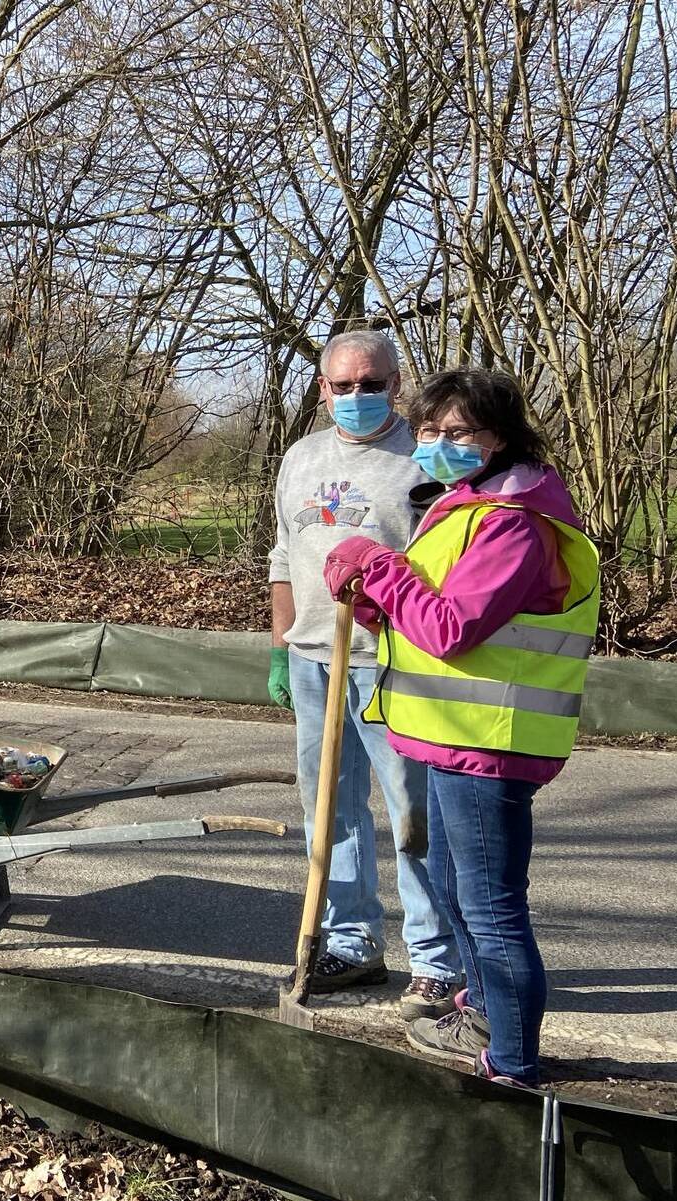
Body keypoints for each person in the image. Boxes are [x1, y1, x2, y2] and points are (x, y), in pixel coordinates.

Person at [325, 368, 598, 1088]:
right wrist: (375, 602)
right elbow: (427, 611)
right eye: (429, 430)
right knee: (450, 887)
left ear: (498, 437)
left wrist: (377, 564)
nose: (439, 442)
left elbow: (451, 629)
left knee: (491, 907)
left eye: (458, 432)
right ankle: (477, 1012)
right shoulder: (465, 505)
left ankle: (510, 1062)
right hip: (451, 735)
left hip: (490, 743)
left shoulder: (515, 524)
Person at [268, 331, 462, 1018]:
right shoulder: (301, 458)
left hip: (396, 663)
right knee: (330, 811)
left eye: (370, 383)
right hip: (315, 657)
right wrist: (280, 644)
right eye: (342, 386)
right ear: (323, 391)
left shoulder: (423, 459)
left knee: (415, 813)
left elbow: (451, 564)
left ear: (396, 384)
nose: (356, 396)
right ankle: (351, 942)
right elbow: (284, 555)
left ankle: (439, 960)